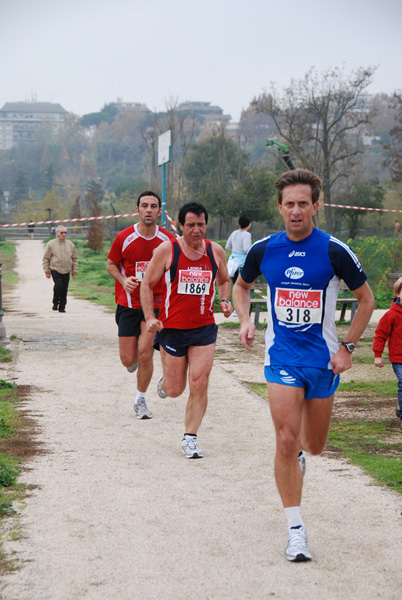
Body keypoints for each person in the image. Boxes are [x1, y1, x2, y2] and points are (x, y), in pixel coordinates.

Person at [233, 168, 375, 562]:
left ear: (316, 206)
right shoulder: (264, 249)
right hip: (282, 359)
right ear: (279, 208)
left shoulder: (334, 251)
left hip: (323, 363)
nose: (296, 211)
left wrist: (347, 347)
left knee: (313, 446)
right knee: (285, 438)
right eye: (289, 204)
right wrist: (246, 320)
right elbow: (241, 286)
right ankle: (296, 530)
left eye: (303, 204)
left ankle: (299, 456)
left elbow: (367, 300)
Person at [140, 201, 233, 458]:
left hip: (203, 328)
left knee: (200, 382)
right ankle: (166, 381)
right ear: (180, 225)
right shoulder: (167, 250)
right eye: (190, 225)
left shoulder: (215, 251)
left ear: (206, 224)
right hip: (172, 329)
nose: (196, 229)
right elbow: (146, 285)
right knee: (175, 389)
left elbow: (225, 280)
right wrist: (149, 318)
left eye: (200, 224)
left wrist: (224, 300)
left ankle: (190, 438)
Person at [106, 191, 175, 420]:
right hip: (127, 304)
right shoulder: (124, 237)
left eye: (153, 206)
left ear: (159, 211)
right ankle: (133, 362)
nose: (148, 210)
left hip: (154, 306)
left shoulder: (167, 241)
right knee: (129, 359)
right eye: (144, 205)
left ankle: (140, 400)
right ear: (137, 210)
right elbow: (111, 264)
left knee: (146, 353)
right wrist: (124, 280)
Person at [372, 276, 402, 429]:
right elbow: (380, 335)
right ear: (397, 293)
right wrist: (378, 355)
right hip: (399, 358)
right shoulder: (391, 315)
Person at [42, 226, 78, 313]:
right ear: (57, 234)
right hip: (55, 269)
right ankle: (55, 302)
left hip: (66, 270)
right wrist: (47, 271)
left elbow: (74, 259)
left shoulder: (70, 244)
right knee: (59, 286)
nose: (64, 234)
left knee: (64, 289)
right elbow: (46, 258)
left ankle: (62, 307)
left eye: (65, 233)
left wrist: (74, 271)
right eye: (62, 233)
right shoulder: (51, 244)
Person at [225, 214, 252, 284]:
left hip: (233, 261)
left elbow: (228, 246)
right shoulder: (247, 235)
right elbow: (247, 249)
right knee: (241, 285)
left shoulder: (234, 233)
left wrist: (235, 249)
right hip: (242, 263)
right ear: (249, 224)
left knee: (235, 284)